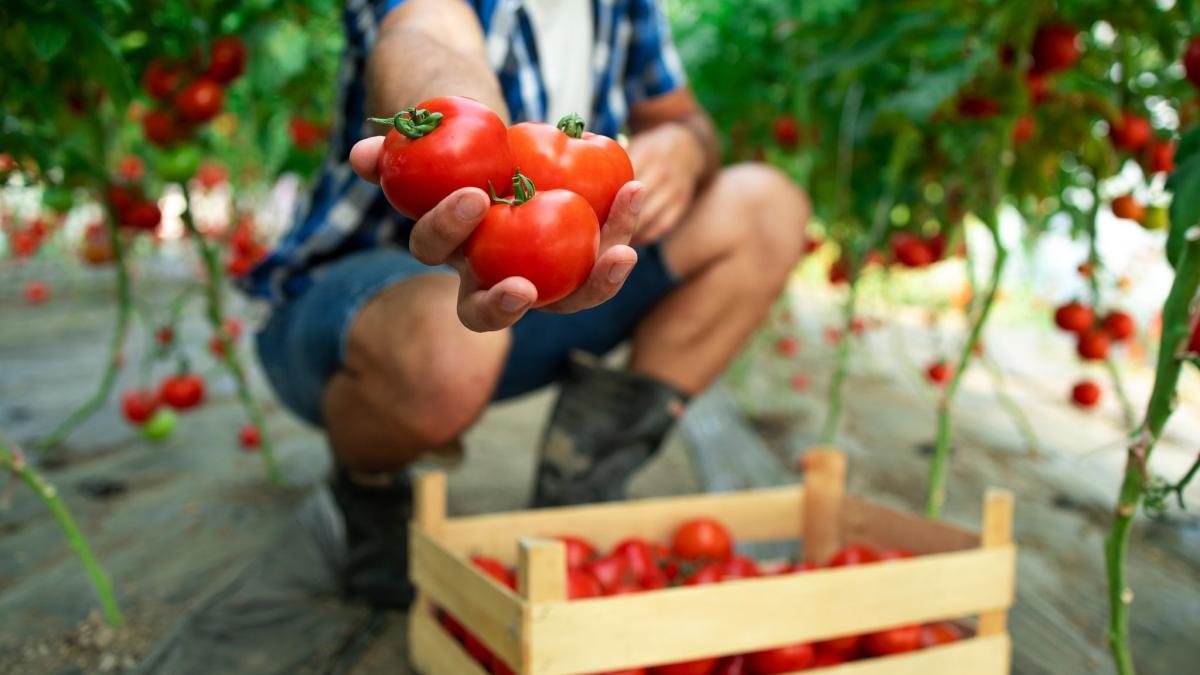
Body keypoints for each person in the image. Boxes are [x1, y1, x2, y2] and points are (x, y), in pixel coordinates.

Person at [241, 0, 809, 608]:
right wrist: (465, 147)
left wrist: (682, 147)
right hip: (362, 306)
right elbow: (426, 35)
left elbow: (684, 118)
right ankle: (370, 486)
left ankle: (583, 473)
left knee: (767, 207)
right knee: (444, 344)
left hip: (552, 277)